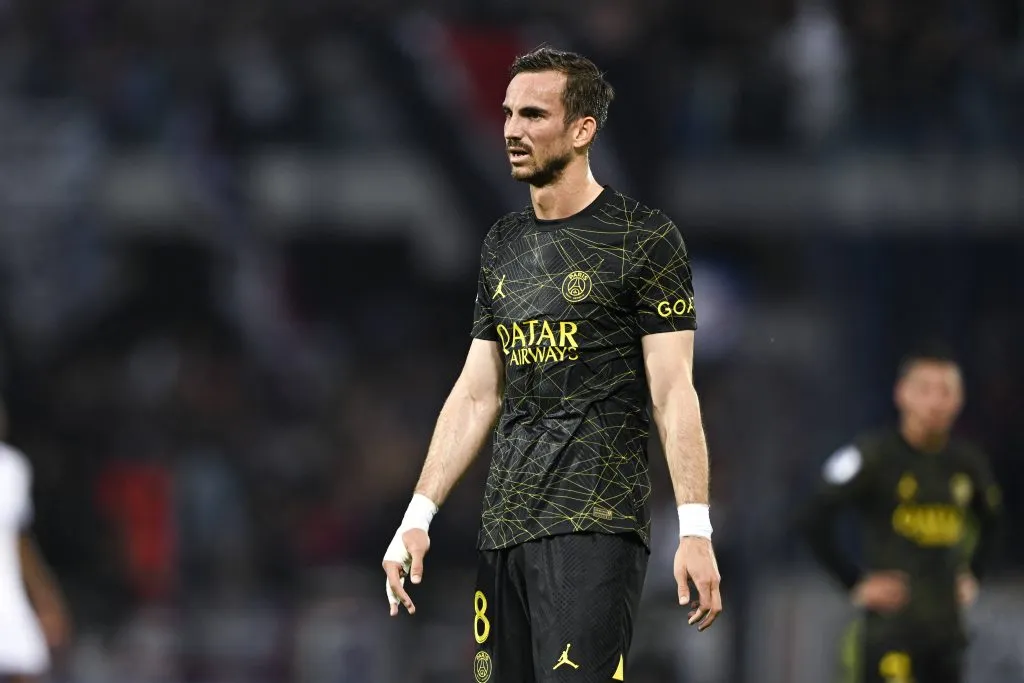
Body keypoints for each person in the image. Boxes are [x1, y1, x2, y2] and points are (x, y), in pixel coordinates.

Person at [381, 46, 722, 682]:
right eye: (509, 113)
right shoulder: (503, 245)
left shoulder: (643, 239)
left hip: (595, 528)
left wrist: (695, 529)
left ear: (582, 130)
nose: (512, 130)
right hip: (504, 530)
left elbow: (673, 392)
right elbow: (477, 393)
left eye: (534, 115)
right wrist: (417, 518)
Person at [798, 344, 1003, 683]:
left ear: (960, 399)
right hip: (891, 634)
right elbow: (813, 517)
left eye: (946, 391)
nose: (935, 402)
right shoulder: (875, 457)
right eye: (925, 390)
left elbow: (993, 520)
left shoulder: (967, 464)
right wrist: (854, 581)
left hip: (946, 636)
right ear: (902, 393)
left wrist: (975, 574)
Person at [0, 398, 71, 683]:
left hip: (5, 592)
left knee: (27, 665)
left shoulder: (11, 468)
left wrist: (45, 596)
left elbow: (18, 539)